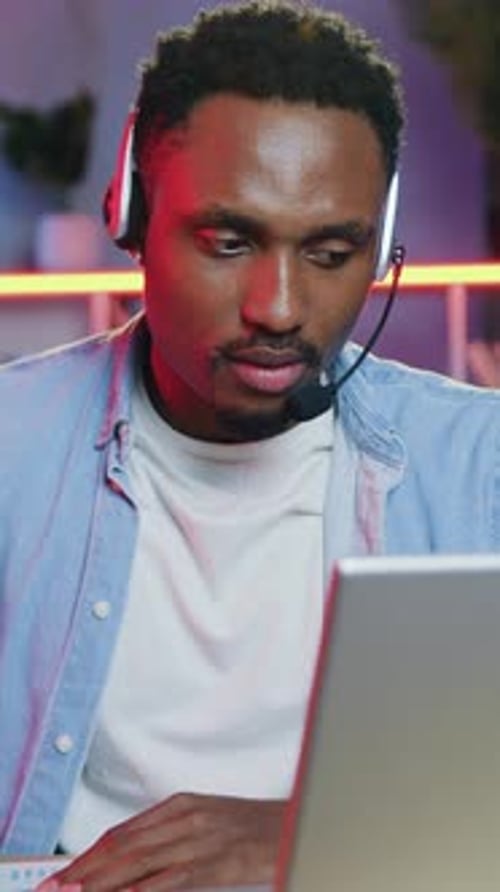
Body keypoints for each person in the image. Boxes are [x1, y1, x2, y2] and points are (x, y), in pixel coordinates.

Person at [1, 1, 499, 889]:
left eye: (332, 251)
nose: (278, 307)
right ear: (131, 216)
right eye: (229, 242)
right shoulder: (12, 446)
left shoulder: (481, 470)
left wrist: (306, 837)